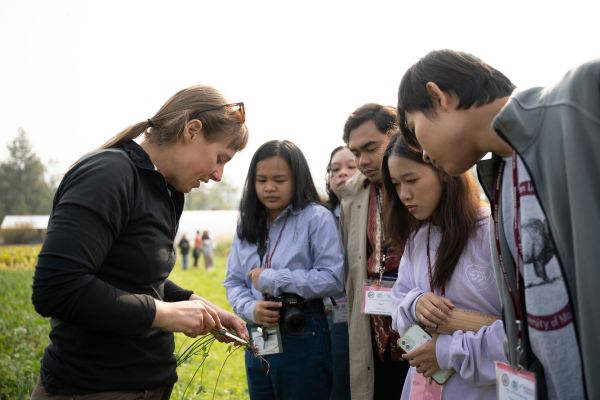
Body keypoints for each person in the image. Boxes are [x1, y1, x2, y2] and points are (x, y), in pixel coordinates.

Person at [397, 49, 598, 399]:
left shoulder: (580, 100)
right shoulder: (502, 180)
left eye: (416, 130)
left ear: (438, 96)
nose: (425, 153)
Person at [30, 85, 250, 399]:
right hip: (92, 388)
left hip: (146, 384)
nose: (218, 174)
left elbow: (134, 278)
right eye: (220, 158)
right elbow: (57, 288)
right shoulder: (109, 174)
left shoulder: (166, 189)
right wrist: (167, 315)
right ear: (192, 130)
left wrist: (192, 301)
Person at [383, 133, 506, 399]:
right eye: (395, 184)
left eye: (412, 179)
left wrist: (445, 352)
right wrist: (414, 304)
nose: (404, 194)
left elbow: (520, 335)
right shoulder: (418, 238)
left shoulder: (492, 231)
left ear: (442, 170)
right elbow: (396, 306)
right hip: (421, 388)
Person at [224, 140, 344, 400]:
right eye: (261, 179)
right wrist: (250, 309)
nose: (269, 187)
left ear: (297, 179)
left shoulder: (316, 218)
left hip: (303, 330)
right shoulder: (247, 224)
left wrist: (274, 279)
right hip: (258, 332)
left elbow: (334, 278)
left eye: (279, 179)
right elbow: (233, 281)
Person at [339, 103, 409, 400]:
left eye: (371, 148)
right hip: (373, 333)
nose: (363, 161)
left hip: (420, 328)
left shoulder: (425, 185)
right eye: (355, 153)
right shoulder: (352, 196)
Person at [324, 145, 358, 400]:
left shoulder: (380, 214)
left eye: (351, 166)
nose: (342, 174)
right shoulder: (321, 217)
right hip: (332, 314)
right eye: (335, 169)